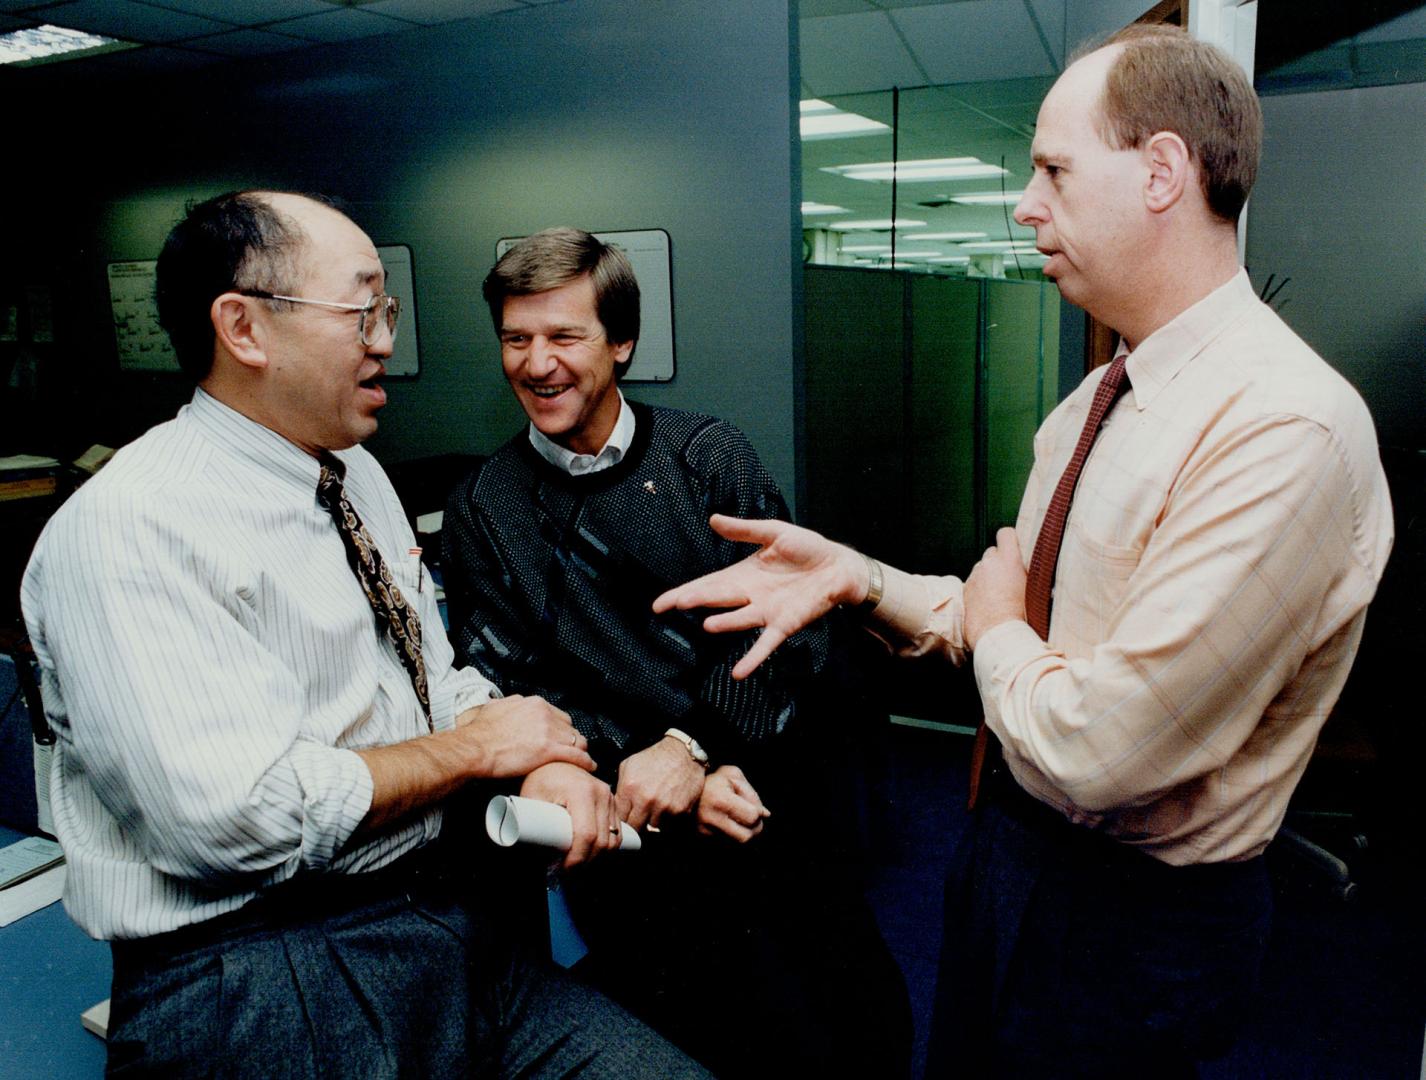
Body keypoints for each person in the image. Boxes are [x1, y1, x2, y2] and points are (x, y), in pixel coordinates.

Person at [654, 25, 1393, 1077]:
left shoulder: (1284, 428)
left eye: (1051, 168)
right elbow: (1023, 624)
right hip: (1014, 857)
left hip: (1131, 916)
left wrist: (997, 623)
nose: (1024, 203)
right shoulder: (1100, 396)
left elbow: (1104, 750)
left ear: (1161, 171)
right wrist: (858, 579)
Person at [21, 192, 707, 1079]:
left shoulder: (356, 478)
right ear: (245, 327)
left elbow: (430, 676)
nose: (386, 337)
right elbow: (238, 818)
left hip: (443, 925)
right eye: (363, 309)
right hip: (268, 966)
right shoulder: (132, 526)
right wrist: (475, 754)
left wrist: (537, 756)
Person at [442, 227, 912, 1078]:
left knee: (852, 1022)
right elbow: (509, 681)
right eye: (516, 338)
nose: (537, 363)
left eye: (564, 336)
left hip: (765, 791)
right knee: (692, 1037)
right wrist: (648, 770)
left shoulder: (706, 457)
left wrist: (695, 748)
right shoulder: (483, 506)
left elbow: (791, 631)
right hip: (630, 837)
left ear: (621, 342)